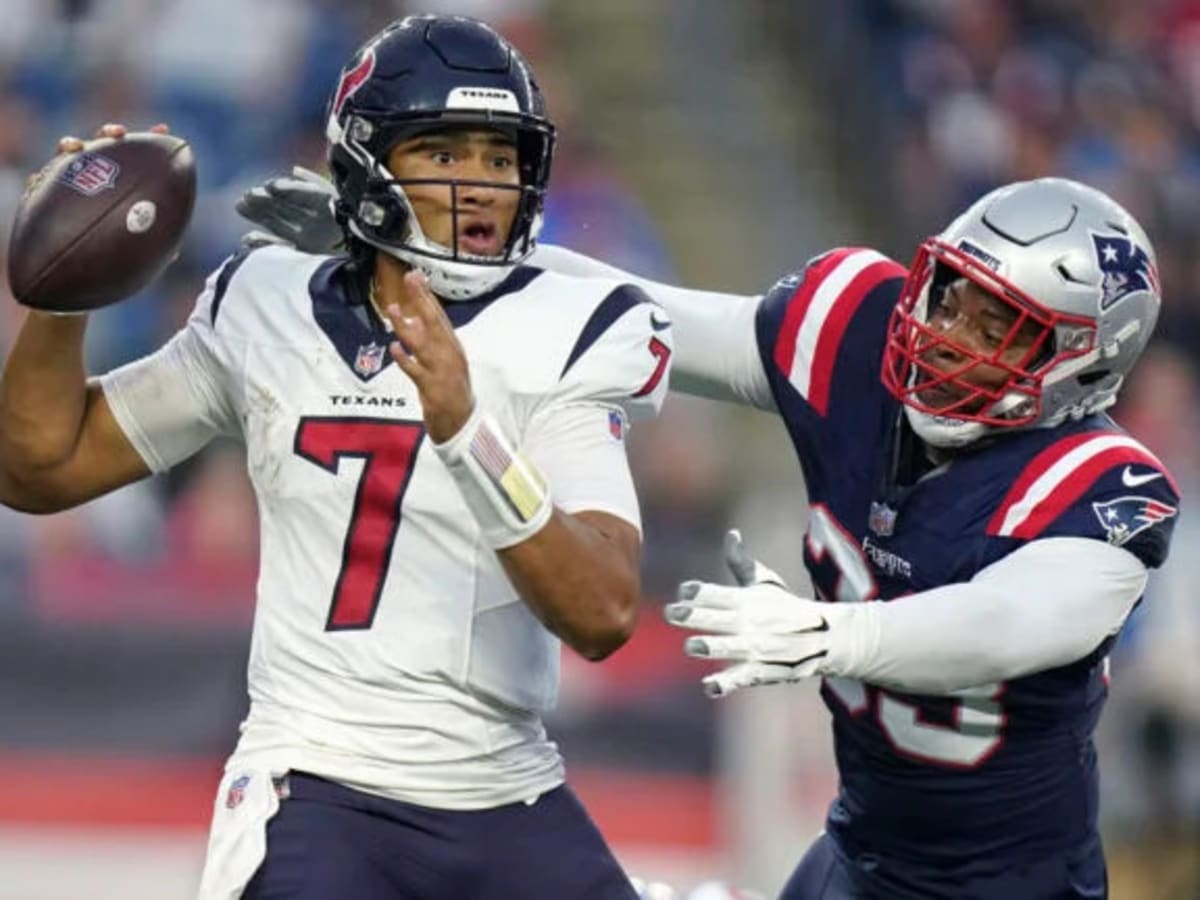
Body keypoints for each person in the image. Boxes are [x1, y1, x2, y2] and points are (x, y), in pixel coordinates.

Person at [245, 164, 1179, 897]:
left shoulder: (1105, 489)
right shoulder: (858, 335)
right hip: (857, 855)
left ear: (1081, 369)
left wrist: (835, 635)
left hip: (1005, 889)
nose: (949, 338)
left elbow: (1005, 623)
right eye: (952, 299)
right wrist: (410, 252)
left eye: (1001, 329)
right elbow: (642, 313)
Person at [0, 15, 674, 900]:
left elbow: (604, 610)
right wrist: (67, 292)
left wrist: (468, 431)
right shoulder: (263, 299)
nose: (482, 188)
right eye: (444, 155)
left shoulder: (567, 328)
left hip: (507, 785)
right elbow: (41, 470)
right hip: (316, 782)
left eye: (501, 158)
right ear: (367, 165)